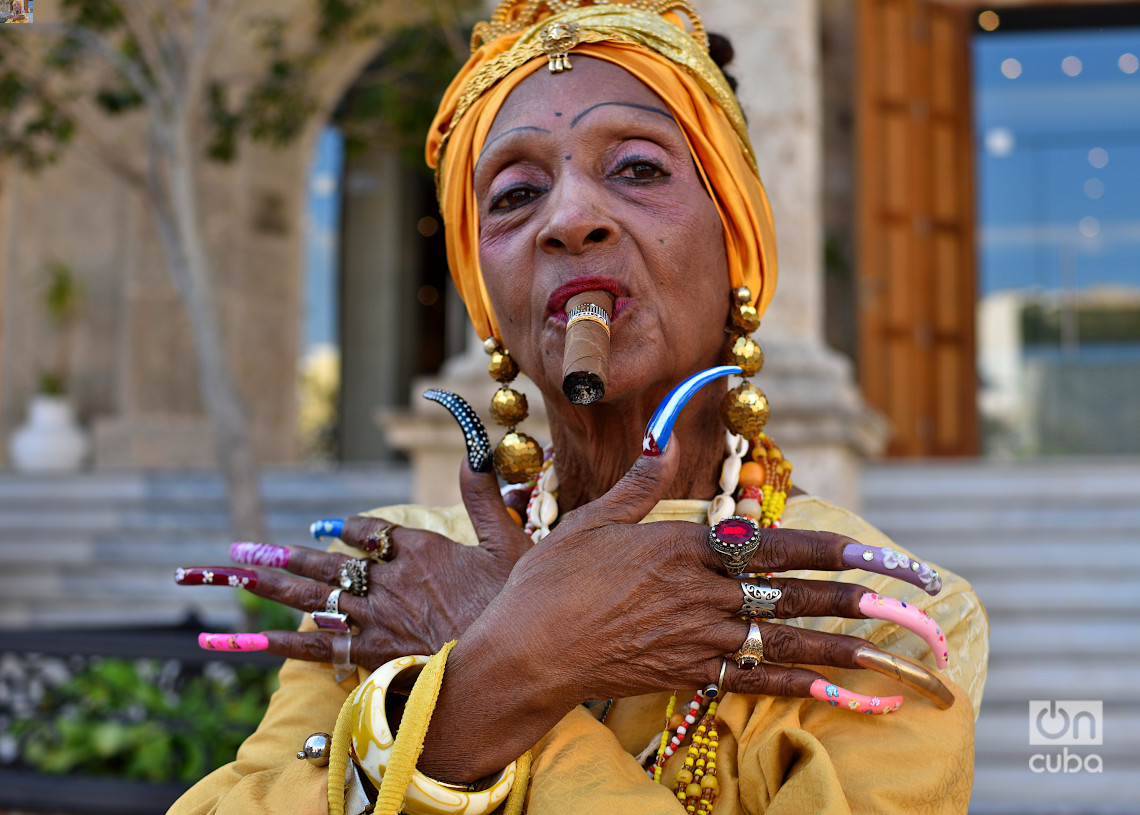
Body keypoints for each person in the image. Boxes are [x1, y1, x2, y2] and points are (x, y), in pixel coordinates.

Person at [169, 2, 988, 813]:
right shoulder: (400, 576)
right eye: (515, 193)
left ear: (736, 235)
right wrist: (521, 656)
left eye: (637, 168)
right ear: (485, 294)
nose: (568, 218)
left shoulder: (881, 622)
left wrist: (507, 655)